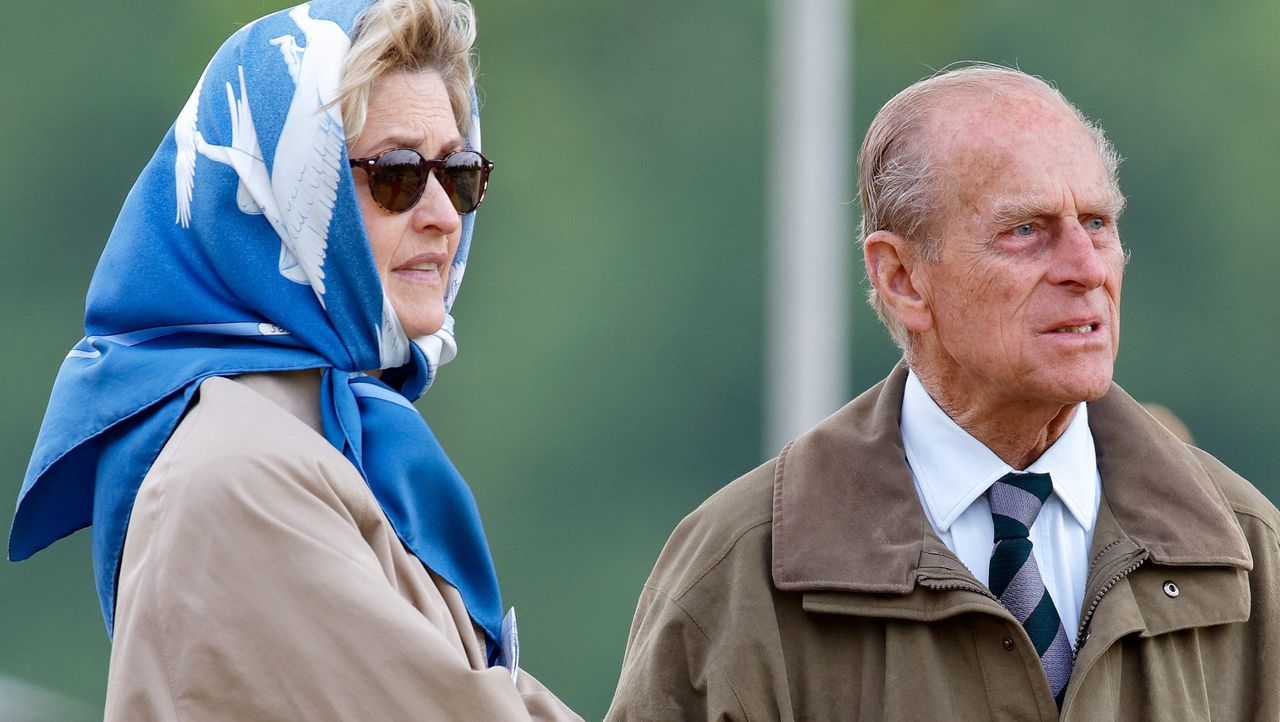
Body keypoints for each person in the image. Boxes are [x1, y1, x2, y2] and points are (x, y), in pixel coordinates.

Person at [607, 64, 1280, 720]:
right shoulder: (739, 576)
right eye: (1027, 231)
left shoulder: (1250, 556)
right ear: (901, 278)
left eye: (1099, 224)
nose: (1085, 268)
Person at [8, 1, 581, 719]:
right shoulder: (236, 475)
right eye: (398, 174)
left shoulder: (322, 443)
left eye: (459, 172)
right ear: (274, 187)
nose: (442, 214)